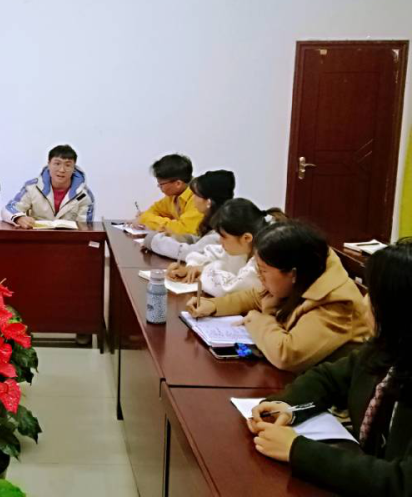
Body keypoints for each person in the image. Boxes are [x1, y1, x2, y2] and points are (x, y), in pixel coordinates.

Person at [247, 240, 412, 496]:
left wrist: (298, 450)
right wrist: (287, 406)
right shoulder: (386, 347)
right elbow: (329, 378)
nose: (364, 301)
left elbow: (401, 482)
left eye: (373, 295)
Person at [188, 221, 371, 372]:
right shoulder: (303, 273)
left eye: (263, 271)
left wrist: (258, 320)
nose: (259, 276)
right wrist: (213, 305)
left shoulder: (336, 303)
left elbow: (287, 355)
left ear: (292, 273)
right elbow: (257, 296)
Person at [169, 198, 279, 298]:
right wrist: (190, 268)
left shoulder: (263, 263)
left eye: (224, 237)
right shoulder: (242, 247)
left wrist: (203, 270)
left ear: (246, 238)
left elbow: (231, 289)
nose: (220, 242)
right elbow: (210, 253)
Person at [143, 169, 235, 260]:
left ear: (208, 202)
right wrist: (174, 237)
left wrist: (153, 240)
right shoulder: (214, 222)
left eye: (196, 195)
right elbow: (198, 240)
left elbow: (190, 253)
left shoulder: (221, 233)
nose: (193, 198)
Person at [2, 144, 95, 228]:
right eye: (57, 164)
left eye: (68, 165)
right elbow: (8, 209)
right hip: (36, 238)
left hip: (69, 239)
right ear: (49, 164)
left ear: (74, 168)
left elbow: (85, 228)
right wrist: (18, 218)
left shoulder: (84, 195)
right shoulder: (32, 187)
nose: (62, 170)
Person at [136, 154, 203, 235]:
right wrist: (146, 218)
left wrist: (146, 219)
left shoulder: (199, 196)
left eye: (161, 184)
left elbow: (184, 230)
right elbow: (155, 210)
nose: (159, 187)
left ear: (178, 184)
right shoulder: (174, 195)